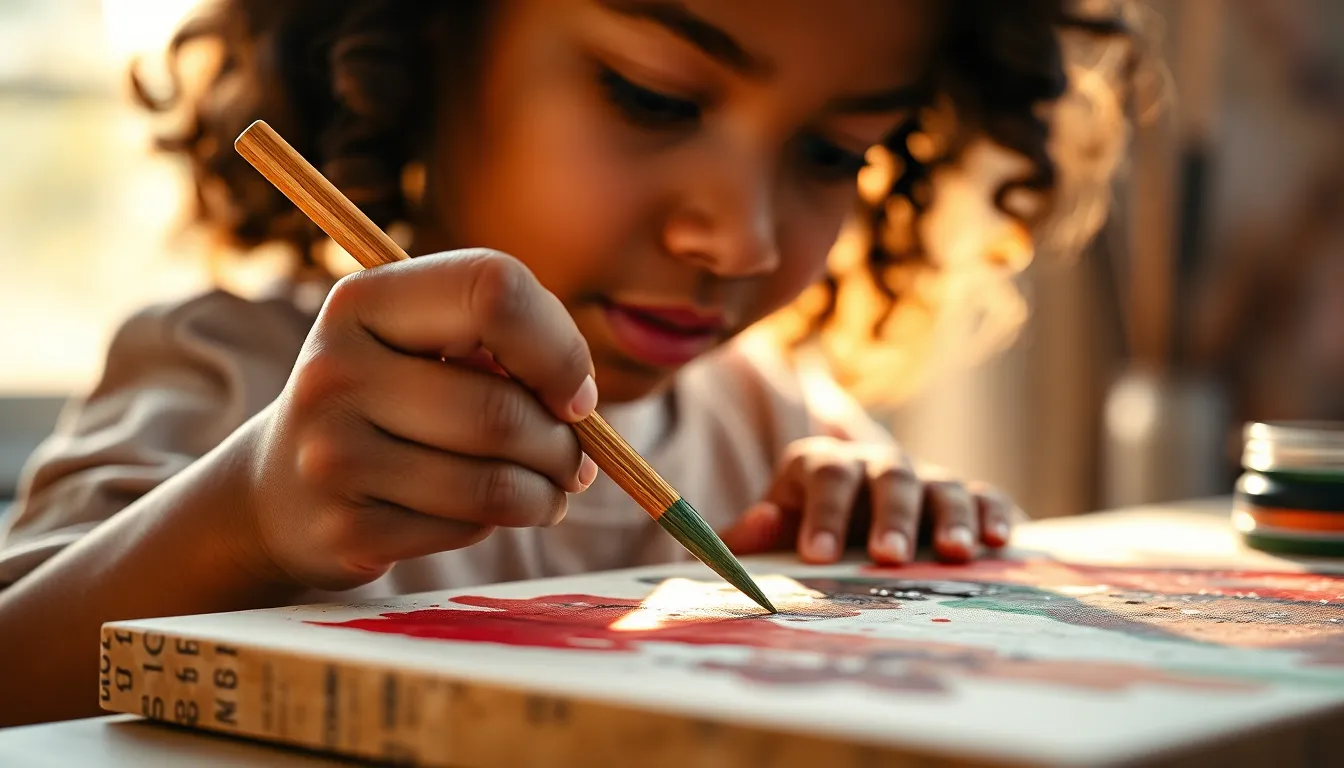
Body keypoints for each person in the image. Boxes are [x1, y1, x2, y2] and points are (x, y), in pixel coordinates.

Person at [0, 0, 1134, 726]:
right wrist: (241, 517)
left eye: (833, 153)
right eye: (652, 95)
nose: (738, 239)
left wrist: (901, 542)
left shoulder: (777, 421)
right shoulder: (226, 370)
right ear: (428, 41)